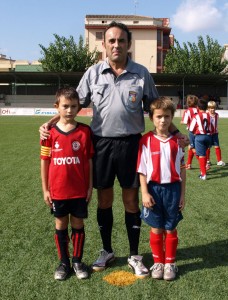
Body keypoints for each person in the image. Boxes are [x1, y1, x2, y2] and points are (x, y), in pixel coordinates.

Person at [39, 21, 188, 278]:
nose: (116, 45)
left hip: (131, 144)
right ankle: (106, 250)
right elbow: (72, 103)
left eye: (121, 41)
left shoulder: (141, 73)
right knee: (104, 199)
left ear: (128, 44)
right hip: (101, 144)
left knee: (131, 200)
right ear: (104, 44)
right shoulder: (93, 73)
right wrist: (50, 123)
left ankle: (134, 254)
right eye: (111, 41)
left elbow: (156, 108)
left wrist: (175, 132)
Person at [40, 87, 94, 280]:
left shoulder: (85, 131)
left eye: (73, 106)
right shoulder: (49, 134)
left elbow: (88, 161)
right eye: (65, 106)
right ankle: (64, 262)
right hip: (58, 191)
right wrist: (45, 189)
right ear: (57, 107)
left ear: (78, 107)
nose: (70, 110)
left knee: (78, 224)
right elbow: (45, 161)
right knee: (61, 223)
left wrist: (89, 187)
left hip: (79, 190)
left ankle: (78, 261)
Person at [137, 97, 186, 281]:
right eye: (159, 117)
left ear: (172, 117)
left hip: (173, 189)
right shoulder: (145, 141)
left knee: (171, 228)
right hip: (153, 189)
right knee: (157, 228)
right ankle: (158, 262)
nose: (163, 120)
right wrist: (144, 192)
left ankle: (170, 263)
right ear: (152, 118)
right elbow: (142, 170)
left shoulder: (177, 142)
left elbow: (182, 171)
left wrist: (182, 194)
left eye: (166, 116)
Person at [189, 98, 212, 180]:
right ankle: (206, 166)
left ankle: (203, 174)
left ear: (198, 107)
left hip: (200, 137)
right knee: (204, 153)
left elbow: (191, 130)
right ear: (206, 108)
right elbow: (212, 127)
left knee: (201, 155)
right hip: (209, 137)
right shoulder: (209, 115)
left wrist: (192, 144)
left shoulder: (196, 116)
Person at [180, 95, 198, 169]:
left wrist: (181, 122)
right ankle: (189, 164)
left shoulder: (188, 111)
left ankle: (204, 162)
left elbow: (184, 121)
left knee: (193, 147)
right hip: (200, 131)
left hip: (192, 131)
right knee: (190, 147)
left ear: (187, 103)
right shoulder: (198, 109)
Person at [206, 101, 225, 167]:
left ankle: (219, 160)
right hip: (208, 134)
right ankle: (207, 160)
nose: (212, 109)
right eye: (210, 108)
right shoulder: (206, 115)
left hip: (215, 134)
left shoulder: (217, 115)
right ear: (208, 108)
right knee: (208, 147)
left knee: (217, 146)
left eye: (213, 108)